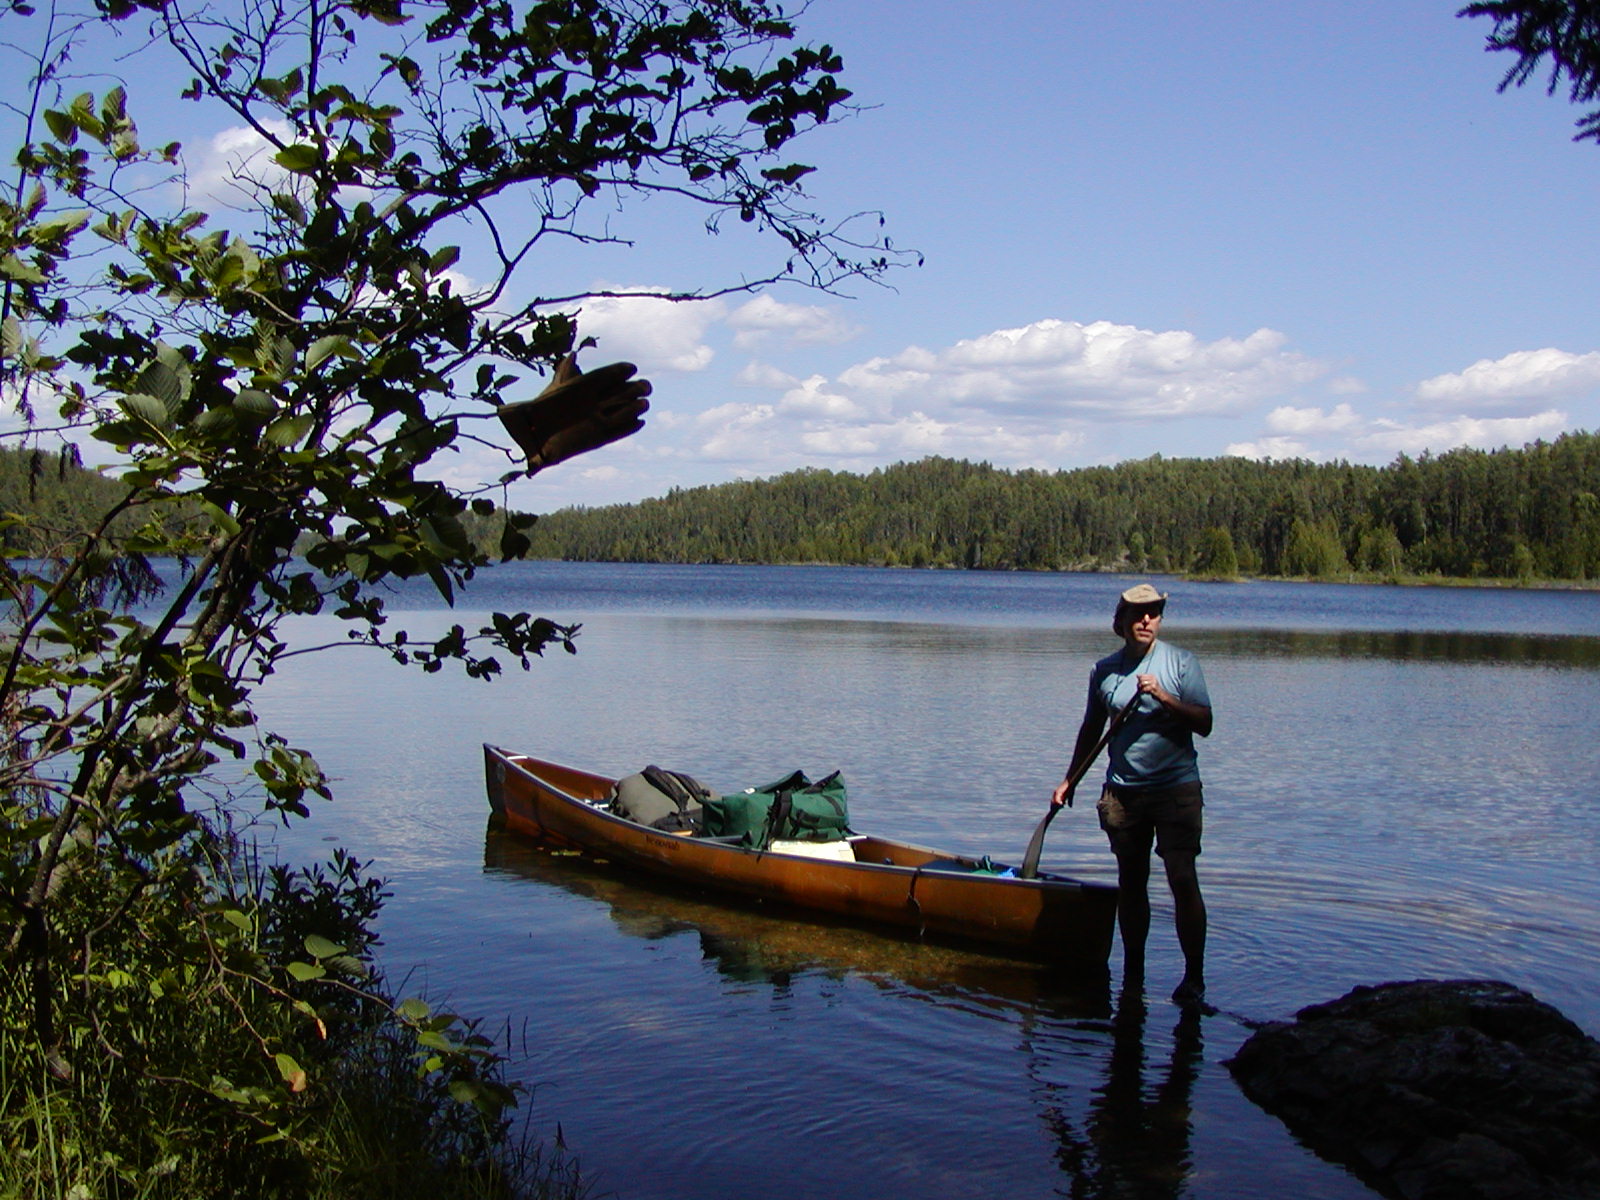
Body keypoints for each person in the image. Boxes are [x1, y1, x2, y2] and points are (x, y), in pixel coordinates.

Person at [1052, 583, 1213, 1005]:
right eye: (1138, 614)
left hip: (1177, 790)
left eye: (1154, 613)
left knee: (1182, 878)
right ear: (1120, 622)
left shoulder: (1180, 663)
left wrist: (1163, 696)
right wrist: (1071, 780)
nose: (1146, 620)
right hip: (1124, 794)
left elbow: (1205, 722)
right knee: (1132, 882)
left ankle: (1193, 978)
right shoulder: (1104, 671)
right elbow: (1091, 729)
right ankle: (1134, 978)